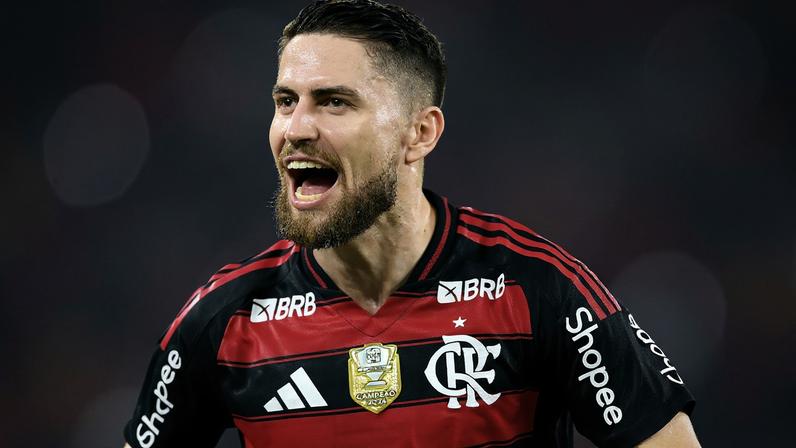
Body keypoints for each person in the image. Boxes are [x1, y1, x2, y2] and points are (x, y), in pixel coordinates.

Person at [123, 1, 700, 446]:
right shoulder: (223, 320)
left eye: (333, 102)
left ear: (419, 133)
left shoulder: (538, 286)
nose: (295, 127)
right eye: (285, 100)